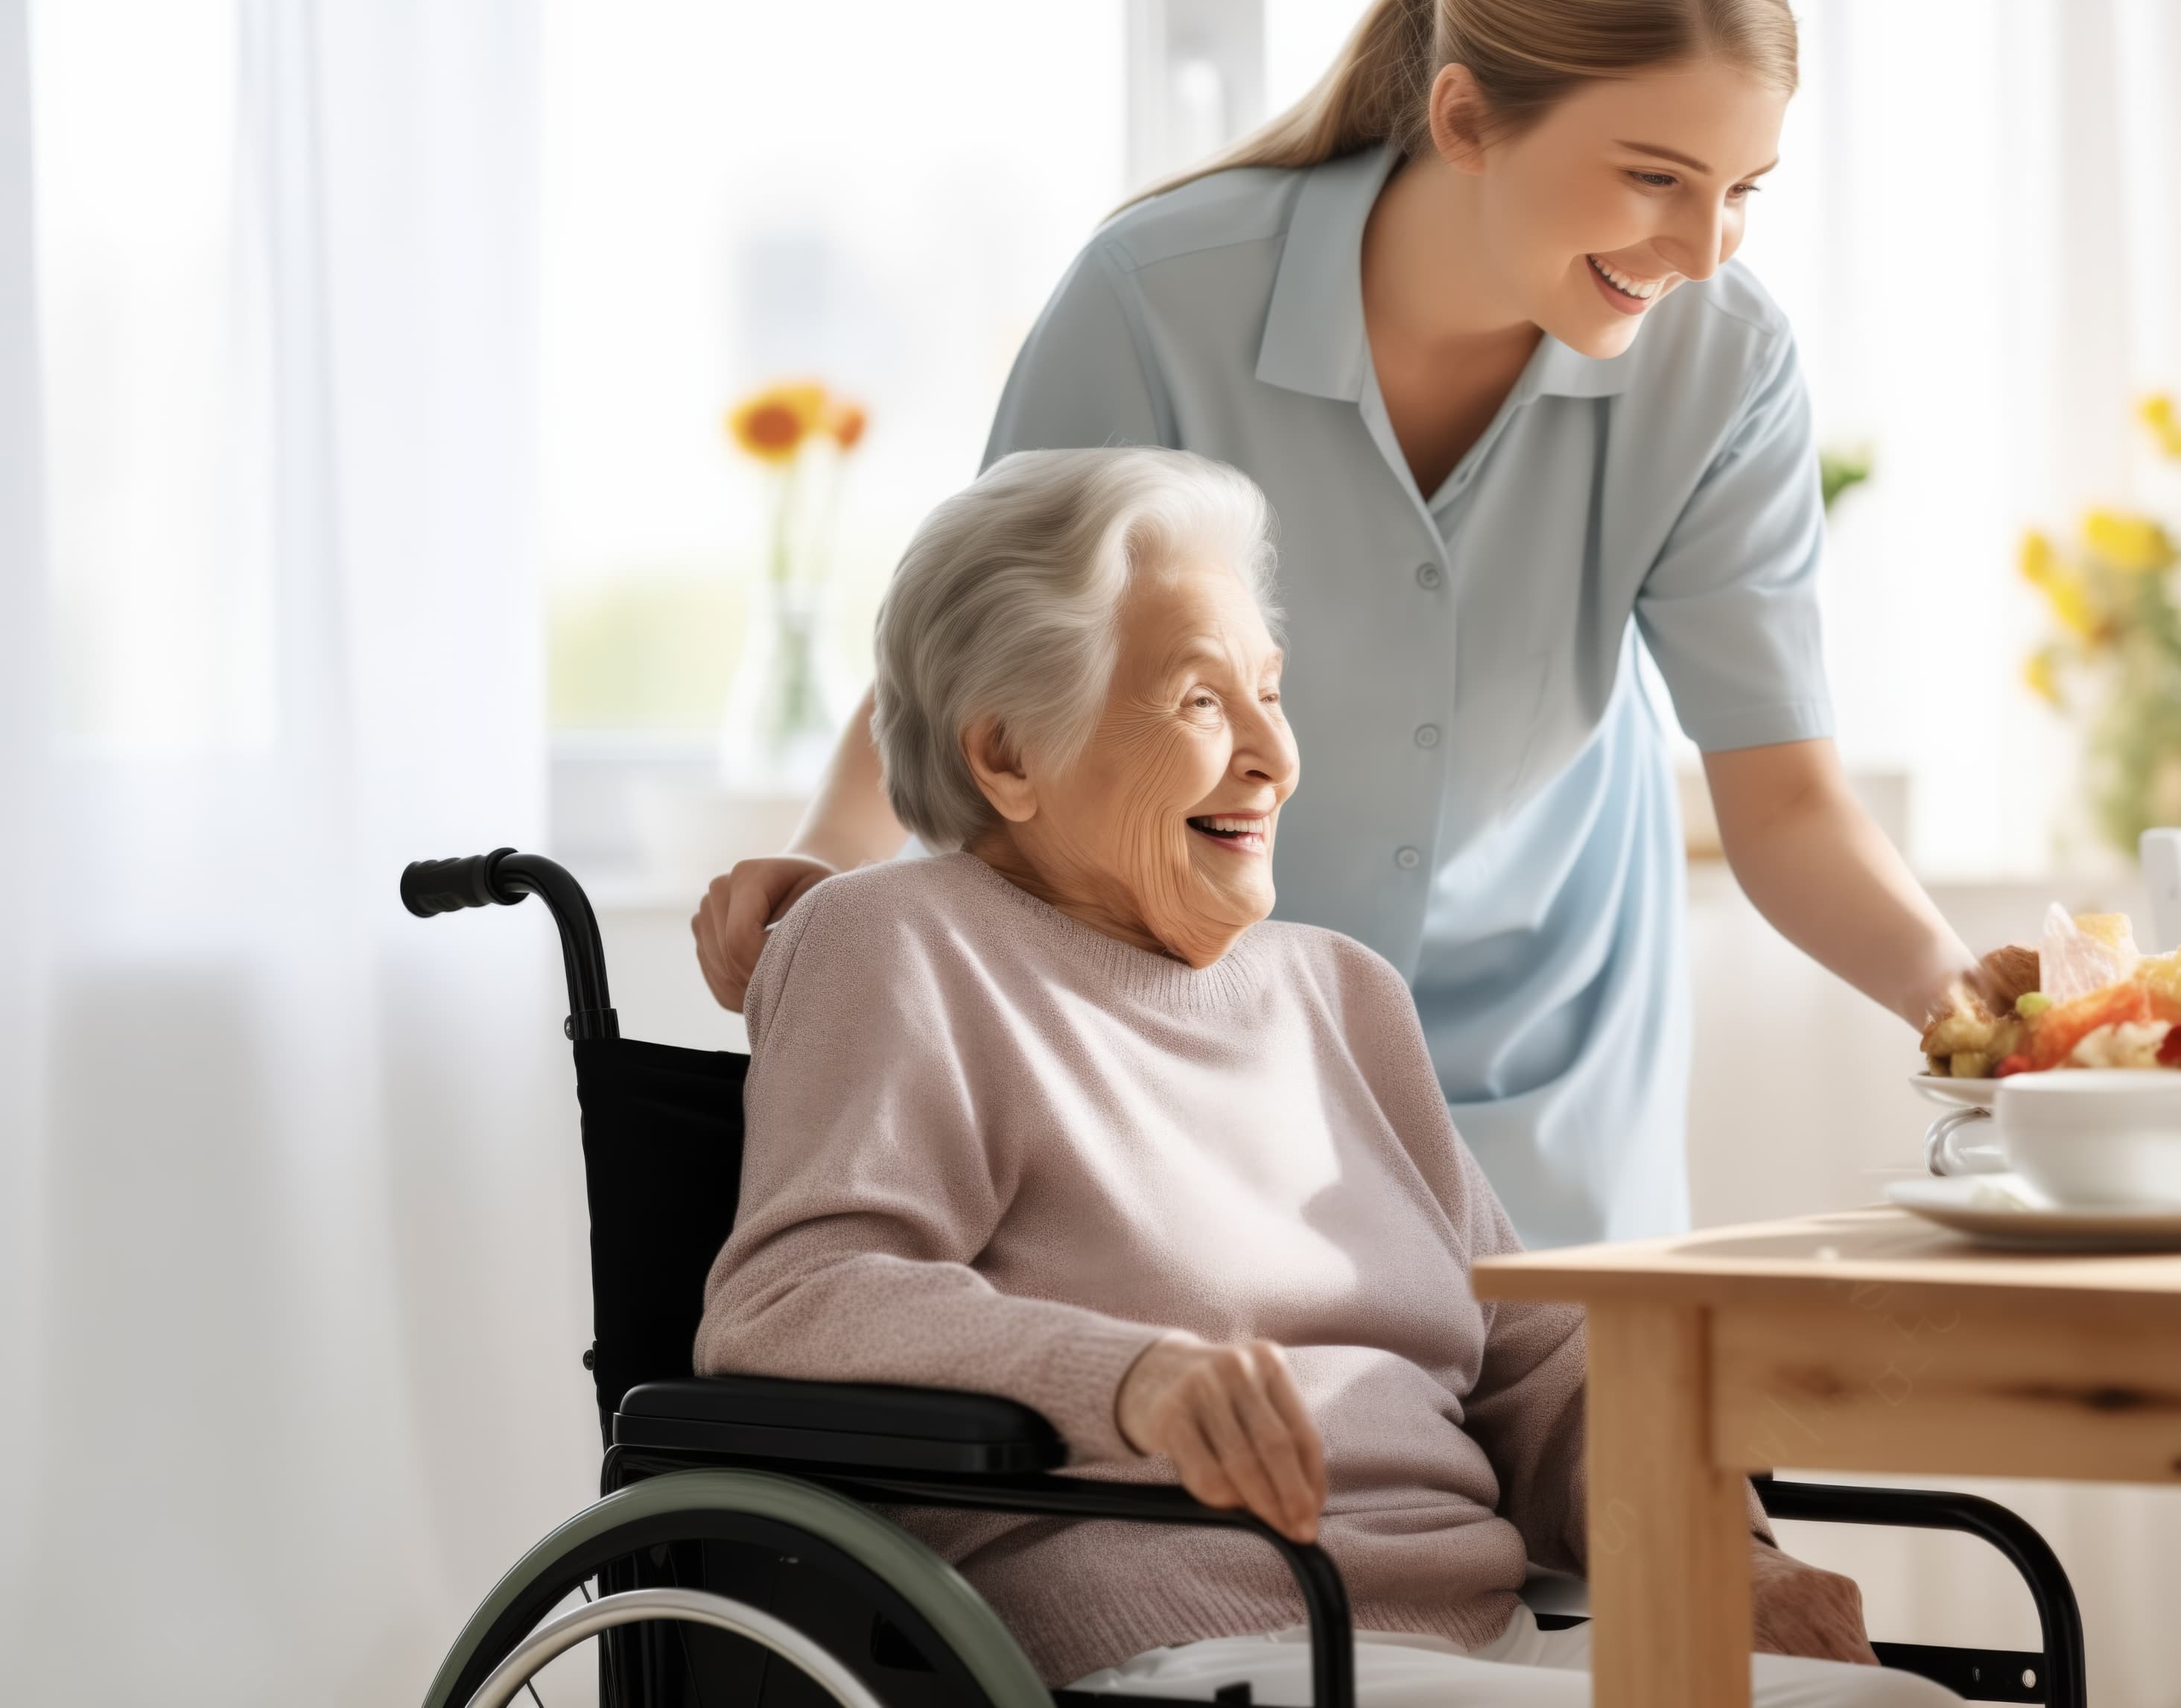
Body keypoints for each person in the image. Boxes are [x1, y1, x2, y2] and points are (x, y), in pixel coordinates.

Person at [696, 0, 2030, 1249]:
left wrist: (1974, 1007)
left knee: (1578, 1455)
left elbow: (1788, 797)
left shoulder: (1724, 364)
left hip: (1550, 1078)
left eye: (1742, 189)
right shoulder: (1164, 302)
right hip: (1191, 1050)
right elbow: (967, 665)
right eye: (1654, 178)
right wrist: (828, 864)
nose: (1702, 249)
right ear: (1465, 117)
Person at [697, 447, 1952, 1706]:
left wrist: (1715, 1552)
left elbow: (1535, 1366)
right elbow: (797, 1298)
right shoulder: (900, 940)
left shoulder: (1342, 996)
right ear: (1010, 753)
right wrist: (1129, 1377)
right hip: (1203, 1639)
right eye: (1200, 703)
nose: (1273, 759)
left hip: (1476, 1634)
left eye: (1271, 695)